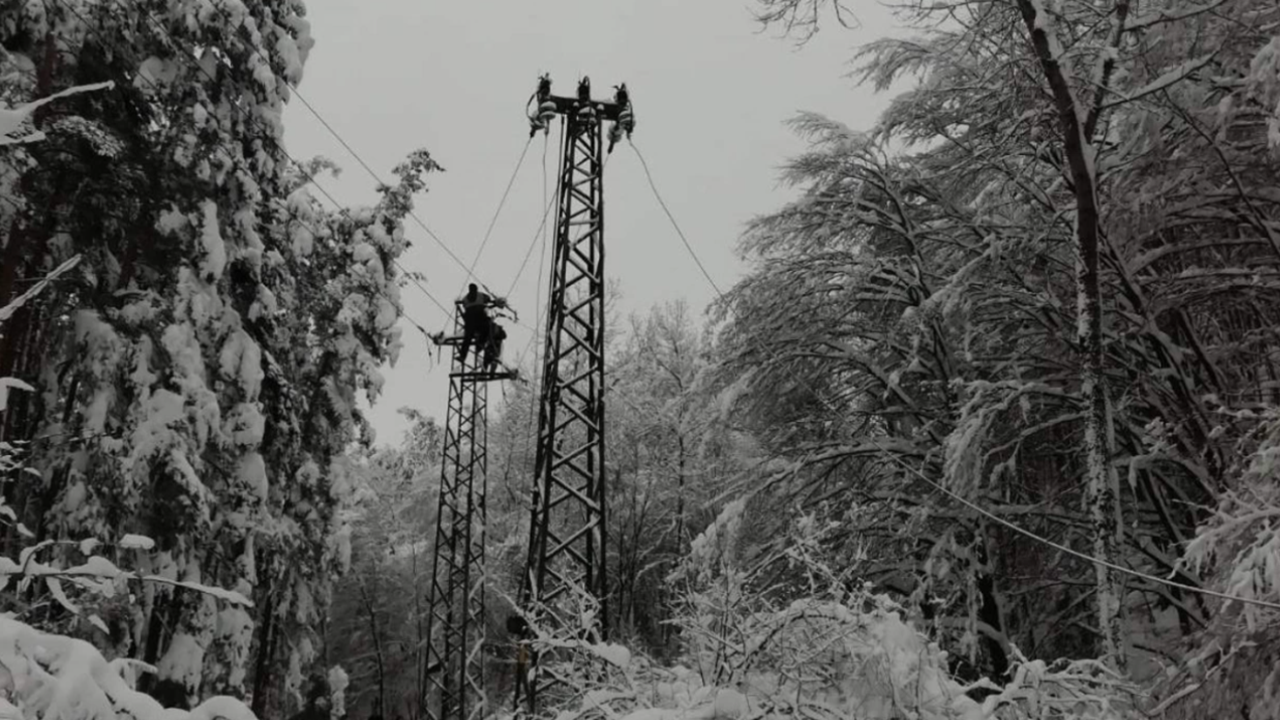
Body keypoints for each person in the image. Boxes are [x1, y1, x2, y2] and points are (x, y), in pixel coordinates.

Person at [459, 283, 492, 365]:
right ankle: (479, 346)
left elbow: (464, 305)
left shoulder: (466, 298)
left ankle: (462, 356)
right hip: (480, 320)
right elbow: (488, 299)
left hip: (470, 322)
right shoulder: (481, 295)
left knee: (467, 339)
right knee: (486, 329)